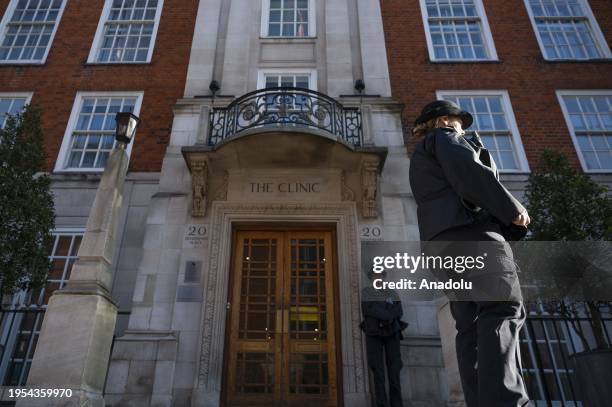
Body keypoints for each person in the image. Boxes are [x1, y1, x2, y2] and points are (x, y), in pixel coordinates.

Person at [408, 100, 532, 407]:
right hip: (472, 234)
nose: (462, 128)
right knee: (502, 309)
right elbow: (470, 174)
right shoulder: (445, 137)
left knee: (471, 326)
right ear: (444, 121)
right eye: (459, 123)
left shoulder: (421, 156)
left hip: (441, 245)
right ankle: (507, 402)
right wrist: (512, 209)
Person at [361, 268, 408, 407]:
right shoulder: (366, 292)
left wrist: (387, 317)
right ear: (371, 277)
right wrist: (387, 316)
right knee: (378, 371)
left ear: (383, 276)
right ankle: (381, 404)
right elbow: (368, 309)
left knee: (394, 371)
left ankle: (397, 404)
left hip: (392, 332)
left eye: (380, 275)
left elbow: (399, 310)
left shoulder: (392, 293)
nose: (378, 277)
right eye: (375, 275)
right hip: (373, 333)